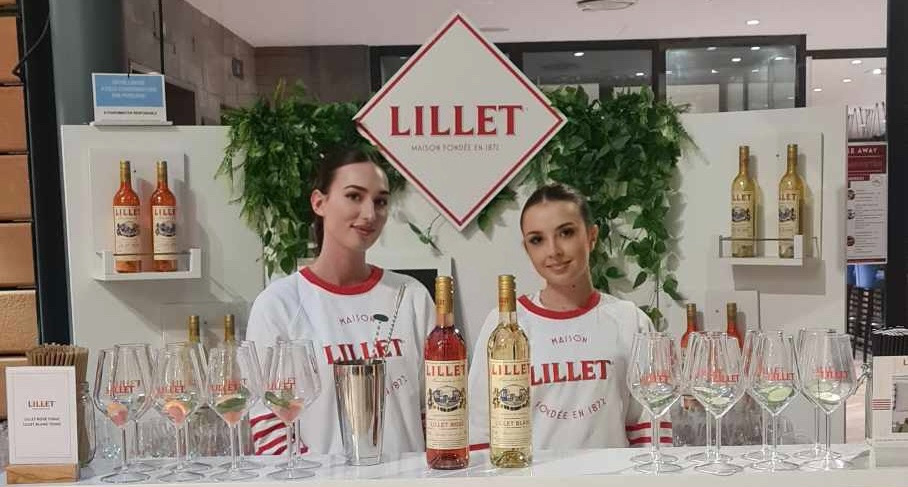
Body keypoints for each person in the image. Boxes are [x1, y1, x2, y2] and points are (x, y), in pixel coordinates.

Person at [246, 147, 433, 457]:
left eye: (380, 201)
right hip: (320, 486)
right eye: (354, 196)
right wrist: (321, 480)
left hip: (408, 483)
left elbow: (437, 409)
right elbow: (269, 425)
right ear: (319, 202)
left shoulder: (411, 296)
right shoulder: (279, 305)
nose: (369, 214)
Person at [468, 183, 671, 452]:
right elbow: (481, 429)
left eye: (565, 233)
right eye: (537, 240)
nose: (553, 251)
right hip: (531, 478)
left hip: (613, 478)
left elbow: (651, 427)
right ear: (527, 249)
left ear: (592, 236)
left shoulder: (630, 320)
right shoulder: (505, 325)